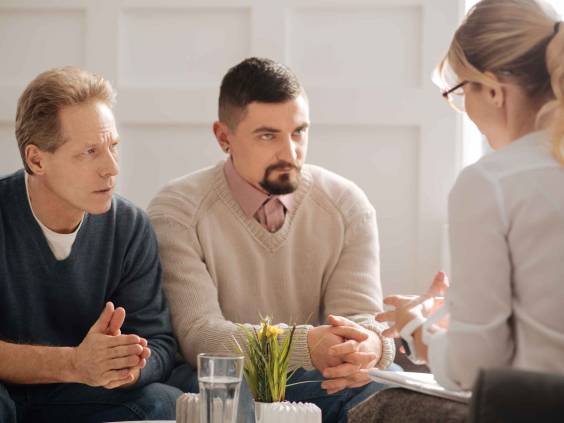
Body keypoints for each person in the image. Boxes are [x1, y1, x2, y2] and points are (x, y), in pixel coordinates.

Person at [148, 57, 396, 423]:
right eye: (268, 135)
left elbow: (359, 318)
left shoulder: (347, 205)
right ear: (223, 136)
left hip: (312, 381)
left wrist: (371, 346)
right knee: (238, 396)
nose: (290, 153)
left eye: (298, 132)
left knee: (389, 396)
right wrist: (307, 346)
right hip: (221, 382)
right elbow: (199, 337)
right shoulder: (177, 210)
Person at [377, 0, 564, 391]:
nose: (465, 111)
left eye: (461, 91)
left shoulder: (491, 183)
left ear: (494, 90)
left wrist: (417, 330)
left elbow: (476, 367)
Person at [0, 67, 181, 422]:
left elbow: (159, 343)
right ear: (37, 159)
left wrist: (127, 365)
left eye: (113, 147)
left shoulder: (129, 227)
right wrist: (74, 363)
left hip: (79, 395)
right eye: (89, 152)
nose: (111, 168)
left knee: (165, 402)